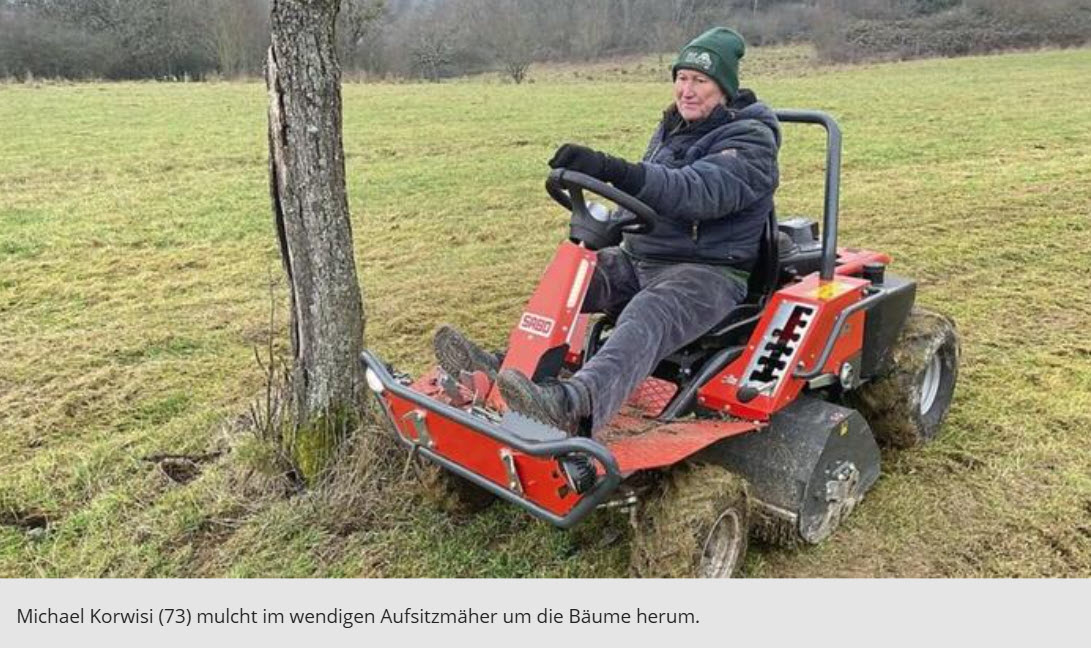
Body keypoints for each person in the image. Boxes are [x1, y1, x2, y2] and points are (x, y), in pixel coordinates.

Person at [434, 27, 780, 436]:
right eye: (682, 78)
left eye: (700, 81)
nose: (686, 91)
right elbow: (647, 195)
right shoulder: (675, 126)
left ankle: (573, 406)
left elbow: (692, 191)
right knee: (570, 279)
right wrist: (612, 222)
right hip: (642, 257)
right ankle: (510, 368)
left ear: (724, 88)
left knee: (648, 312)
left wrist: (611, 168)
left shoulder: (751, 141)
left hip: (708, 273)